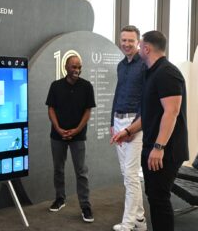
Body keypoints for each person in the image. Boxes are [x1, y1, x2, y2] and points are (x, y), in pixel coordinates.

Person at [111, 30, 189, 231]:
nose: (135, 48)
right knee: (154, 197)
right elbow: (148, 114)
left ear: (145, 48)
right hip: (153, 146)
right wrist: (127, 131)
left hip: (166, 150)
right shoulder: (152, 72)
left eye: (138, 44)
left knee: (159, 200)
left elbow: (171, 112)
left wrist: (159, 146)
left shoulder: (167, 73)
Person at [45, 55, 96, 223]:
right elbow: (51, 109)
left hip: (78, 136)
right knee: (58, 169)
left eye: (79, 66)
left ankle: (85, 206)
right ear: (65, 67)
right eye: (73, 66)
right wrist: (59, 129)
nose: (77, 69)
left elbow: (88, 111)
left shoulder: (87, 86)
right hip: (57, 136)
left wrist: (76, 130)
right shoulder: (56, 86)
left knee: (81, 171)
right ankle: (60, 199)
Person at [110, 25, 147, 231]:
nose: (126, 44)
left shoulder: (144, 66)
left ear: (138, 42)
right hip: (118, 120)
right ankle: (140, 220)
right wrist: (111, 123)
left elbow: (146, 100)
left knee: (131, 174)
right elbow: (117, 94)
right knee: (126, 173)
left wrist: (133, 128)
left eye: (130, 41)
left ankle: (128, 223)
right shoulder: (121, 66)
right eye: (123, 40)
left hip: (135, 123)